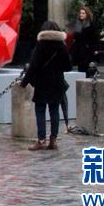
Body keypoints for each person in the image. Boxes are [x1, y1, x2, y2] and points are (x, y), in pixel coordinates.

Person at [21, 21, 72, 151]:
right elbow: (68, 66)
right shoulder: (62, 45)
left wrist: (24, 82)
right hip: (57, 82)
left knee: (40, 111)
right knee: (54, 110)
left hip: (42, 83)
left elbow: (33, 66)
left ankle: (41, 140)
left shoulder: (40, 45)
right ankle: (53, 140)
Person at [71, 6, 99, 73]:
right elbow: (75, 37)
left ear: (87, 14)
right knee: (80, 68)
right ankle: (82, 82)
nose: (81, 14)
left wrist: (95, 49)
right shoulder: (78, 23)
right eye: (80, 13)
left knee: (87, 67)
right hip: (79, 49)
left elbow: (94, 38)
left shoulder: (91, 24)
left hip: (88, 49)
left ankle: (87, 80)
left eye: (83, 13)